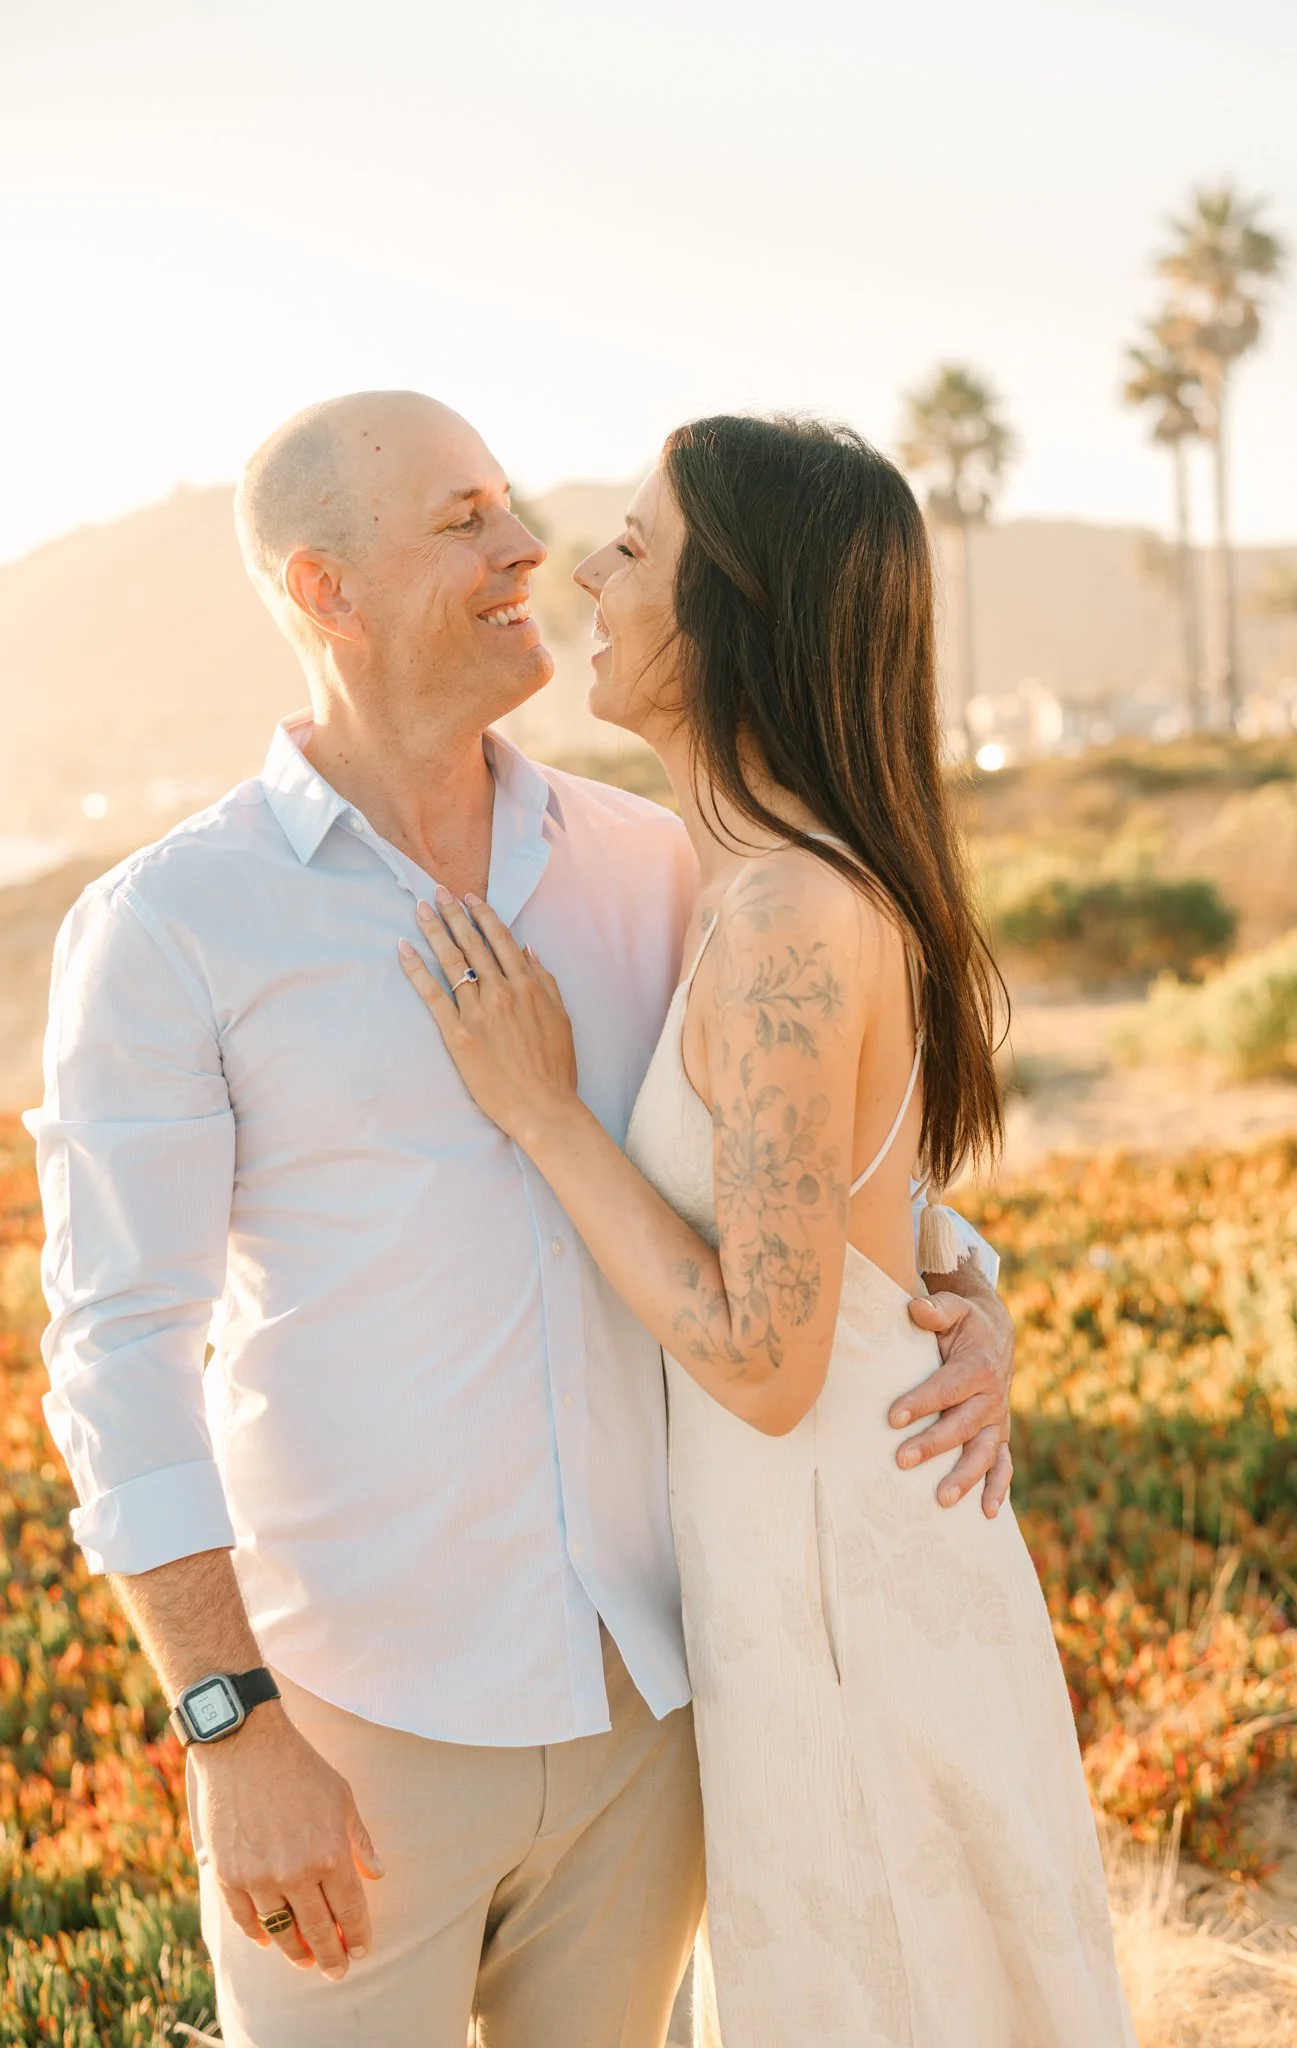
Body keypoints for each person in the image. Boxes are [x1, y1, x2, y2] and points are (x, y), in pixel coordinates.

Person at [28, 392, 1018, 2046]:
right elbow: (118, 1348)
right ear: (325, 590)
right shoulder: (174, 926)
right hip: (358, 1735)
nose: (526, 551)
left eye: (512, 507)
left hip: (657, 1712)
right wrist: (230, 1729)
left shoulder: (650, 864)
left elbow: (807, 1139)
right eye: (463, 520)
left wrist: (959, 1285)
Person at [397, 415, 1137, 2047]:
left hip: (841, 1608)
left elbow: (762, 1354)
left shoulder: (791, 916)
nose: (586, 565)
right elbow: (867, 1221)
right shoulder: (743, 888)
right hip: (803, 1586)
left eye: (639, 549)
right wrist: (967, 1286)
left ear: (737, 611)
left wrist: (541, 1113)